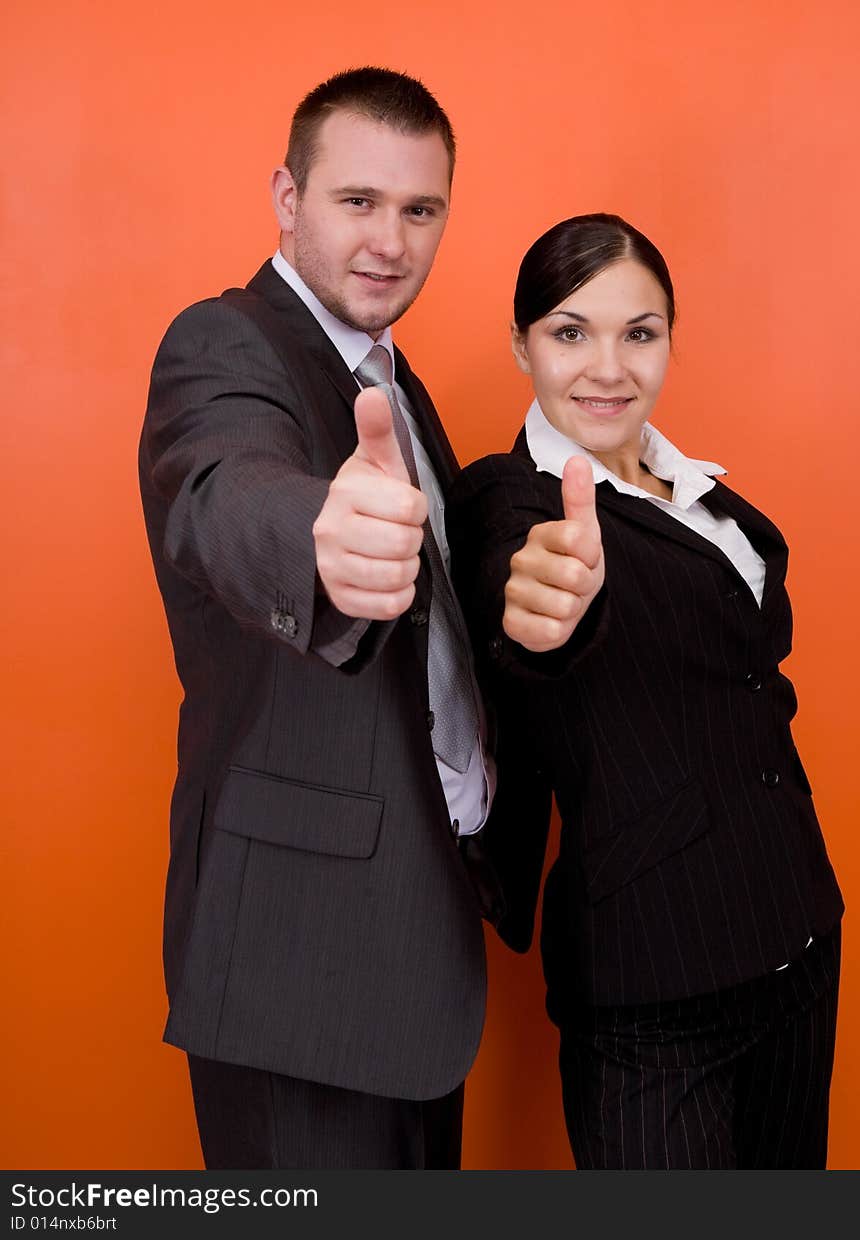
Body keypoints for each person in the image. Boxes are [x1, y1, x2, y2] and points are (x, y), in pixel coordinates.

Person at [138, 66, 503, 1170]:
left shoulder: (398, 386)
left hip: (409, 950)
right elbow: (222, 485)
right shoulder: (225, 341)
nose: (390, 240)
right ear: (287, 201)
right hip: (300, 966)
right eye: (356, 202)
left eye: (420, 209)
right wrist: (317, 540)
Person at [446, 213, 844, 1170]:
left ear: (670, 337)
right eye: (570, 332)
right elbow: (526, 603)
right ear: (521, 345)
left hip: (797, 933)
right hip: (651, 988)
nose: (608, 367)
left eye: (640, 332)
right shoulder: (516, 499)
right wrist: (540, 611)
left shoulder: (701, 494)